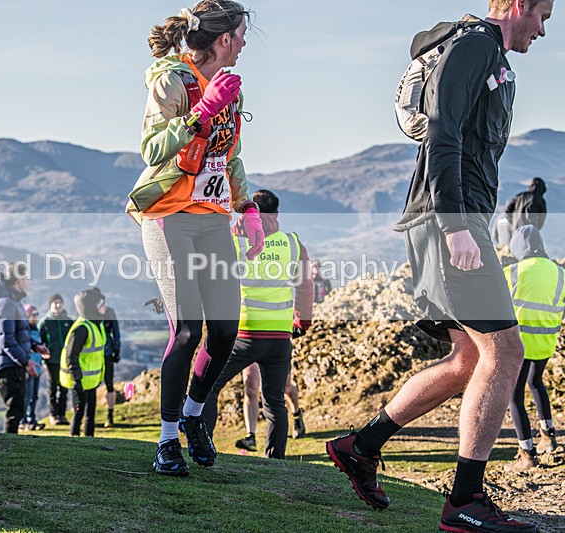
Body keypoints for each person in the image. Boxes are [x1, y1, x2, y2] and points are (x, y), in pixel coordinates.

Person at [328, 3, 552, 532]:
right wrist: (455, 226)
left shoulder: (491, 55)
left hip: (454, 221)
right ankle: (465, 501)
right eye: (542, 15)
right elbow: (442, 130)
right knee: (507, 353)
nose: (543, 30)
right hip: (450, 221)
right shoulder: (475, 46)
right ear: (517, 5)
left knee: (468, 358)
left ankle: (361, 447)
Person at [127, 1, 264, 476]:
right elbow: (151, 149)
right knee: (188, 329)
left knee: (225, 329)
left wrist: (247, 207)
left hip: (213, 217)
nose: (243, 44)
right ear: (225, 38)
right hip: (169, 217)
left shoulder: (230, 86)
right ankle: (167, 442)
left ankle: (191, 415)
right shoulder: (171, 81)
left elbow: (230, 156)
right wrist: (202, 111)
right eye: (241, 35)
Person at [203, 189, 313, 459]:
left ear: (248, 213)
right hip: (280, 336)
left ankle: (202, 447)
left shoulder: (234, 242)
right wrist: (302, 321)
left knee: (209, 387)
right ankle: (275, 461)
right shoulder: (292, 243)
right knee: (274, 401)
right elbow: (305, 286)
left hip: (243, 335)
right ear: (277, 213)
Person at [504, 225, 562, 470]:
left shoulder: (513, 272)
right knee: (536, 383)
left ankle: (527, 454)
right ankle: (548, 438)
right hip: (546, 342)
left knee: (514, 395)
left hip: (519, 344)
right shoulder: (560, 273)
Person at [0, 263, 49, 434]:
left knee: (18, 409)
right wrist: (26, 361)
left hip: (13, 364)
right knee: (15, 411)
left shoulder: (14, 302)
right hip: (7, 367)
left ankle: (11, 445)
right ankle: (8, 447)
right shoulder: (6, 304)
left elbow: (20, 333)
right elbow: (6, 340)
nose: (28, 281)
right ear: (18, 280)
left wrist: (35, 346)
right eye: (26, 278)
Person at [226, 366, 307, 453]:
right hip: (252, 357)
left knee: (285, 387)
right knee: (250, 388)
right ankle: (250, 437)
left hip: (276, 357)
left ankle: (296, 414)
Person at [59, 288, 107, 437]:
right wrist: (77, 379)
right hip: (79, 381)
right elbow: (71, 356)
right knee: (78, 413)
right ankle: (73, 443)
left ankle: (89, 443)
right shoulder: (81, 329)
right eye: (100, 305)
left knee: (90, 414)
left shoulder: (95, 325)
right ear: (92, 307)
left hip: (90, 381)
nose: (104, 308)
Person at [38, 293, 75, 426]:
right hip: (51, 360)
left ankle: (62, 414)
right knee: (52, 387)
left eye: (60, 302)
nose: (58, 305)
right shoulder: (45, 322)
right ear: (50, 305)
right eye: (55, 303)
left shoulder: (68, 321)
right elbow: (39, 342)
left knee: (64, 387)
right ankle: (53, 415)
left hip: (65, 360)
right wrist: (43, 357)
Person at [96, 292, 122, 428]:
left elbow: (115, 331)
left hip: (107, 352)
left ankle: (110, 416)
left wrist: (116, 349)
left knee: (109, 384)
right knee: (91, 385)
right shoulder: (88, 312)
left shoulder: (109, 312)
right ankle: (90, 416)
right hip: (94, 353)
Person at [22, 304, 47, 431]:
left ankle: (31, 419)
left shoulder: (36, 329)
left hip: (37, 366)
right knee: (27, 395)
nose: (35, 317)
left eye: (37, 314)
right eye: (33, 314)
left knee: (34, 396)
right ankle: (23, 421)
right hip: (29, 367)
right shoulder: (24, 330)